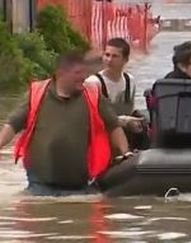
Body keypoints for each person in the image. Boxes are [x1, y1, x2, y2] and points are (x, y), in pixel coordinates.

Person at [0, 52, 132, 196]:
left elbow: (113, 126)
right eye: (78, 73)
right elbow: (12, 125)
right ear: (60, 73)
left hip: (80, 185)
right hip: (40, 183)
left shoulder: (92, 95)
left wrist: (125, 154)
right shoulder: (37, 94)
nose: (84, 77)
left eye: (85, 73)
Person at [85, 38, 143, 134]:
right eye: (107, 55)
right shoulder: (93, 82)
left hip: (125, 134)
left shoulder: (130, 81)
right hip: (101, 134)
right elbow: (90, 118)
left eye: (115, 56)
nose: (109, 60)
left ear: (125, 60)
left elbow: (130, 109)